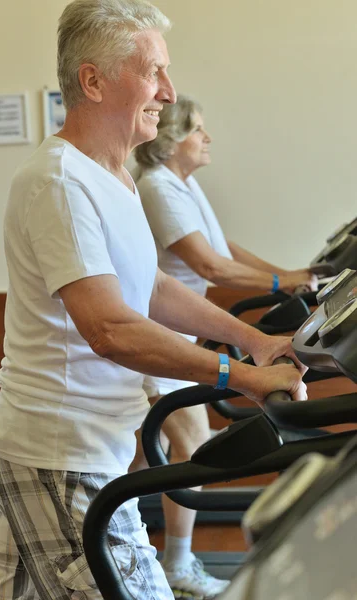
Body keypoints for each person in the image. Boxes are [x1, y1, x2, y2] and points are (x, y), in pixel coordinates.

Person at [0, 3, 307, 600]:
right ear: (93, 81)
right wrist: (238, 375)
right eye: (153, 72)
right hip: (61, 455)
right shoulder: (59, 182)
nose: (169, 90)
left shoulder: (114, 176)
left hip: (68, 447)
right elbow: (109, 327)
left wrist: (253, 339)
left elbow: (150, 289)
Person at [132, 94, 317, 597]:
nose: (207, 138)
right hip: (156, 332)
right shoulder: (156, 187)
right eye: (196, 129)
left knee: (143, 458)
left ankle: (100, 531)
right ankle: (176, 562)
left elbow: (224, 248)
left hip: (177, 330)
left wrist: (287, 276)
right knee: (188, 438)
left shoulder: (182, 185)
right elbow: (209, 267)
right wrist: (284, 282)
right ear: (169, 140)